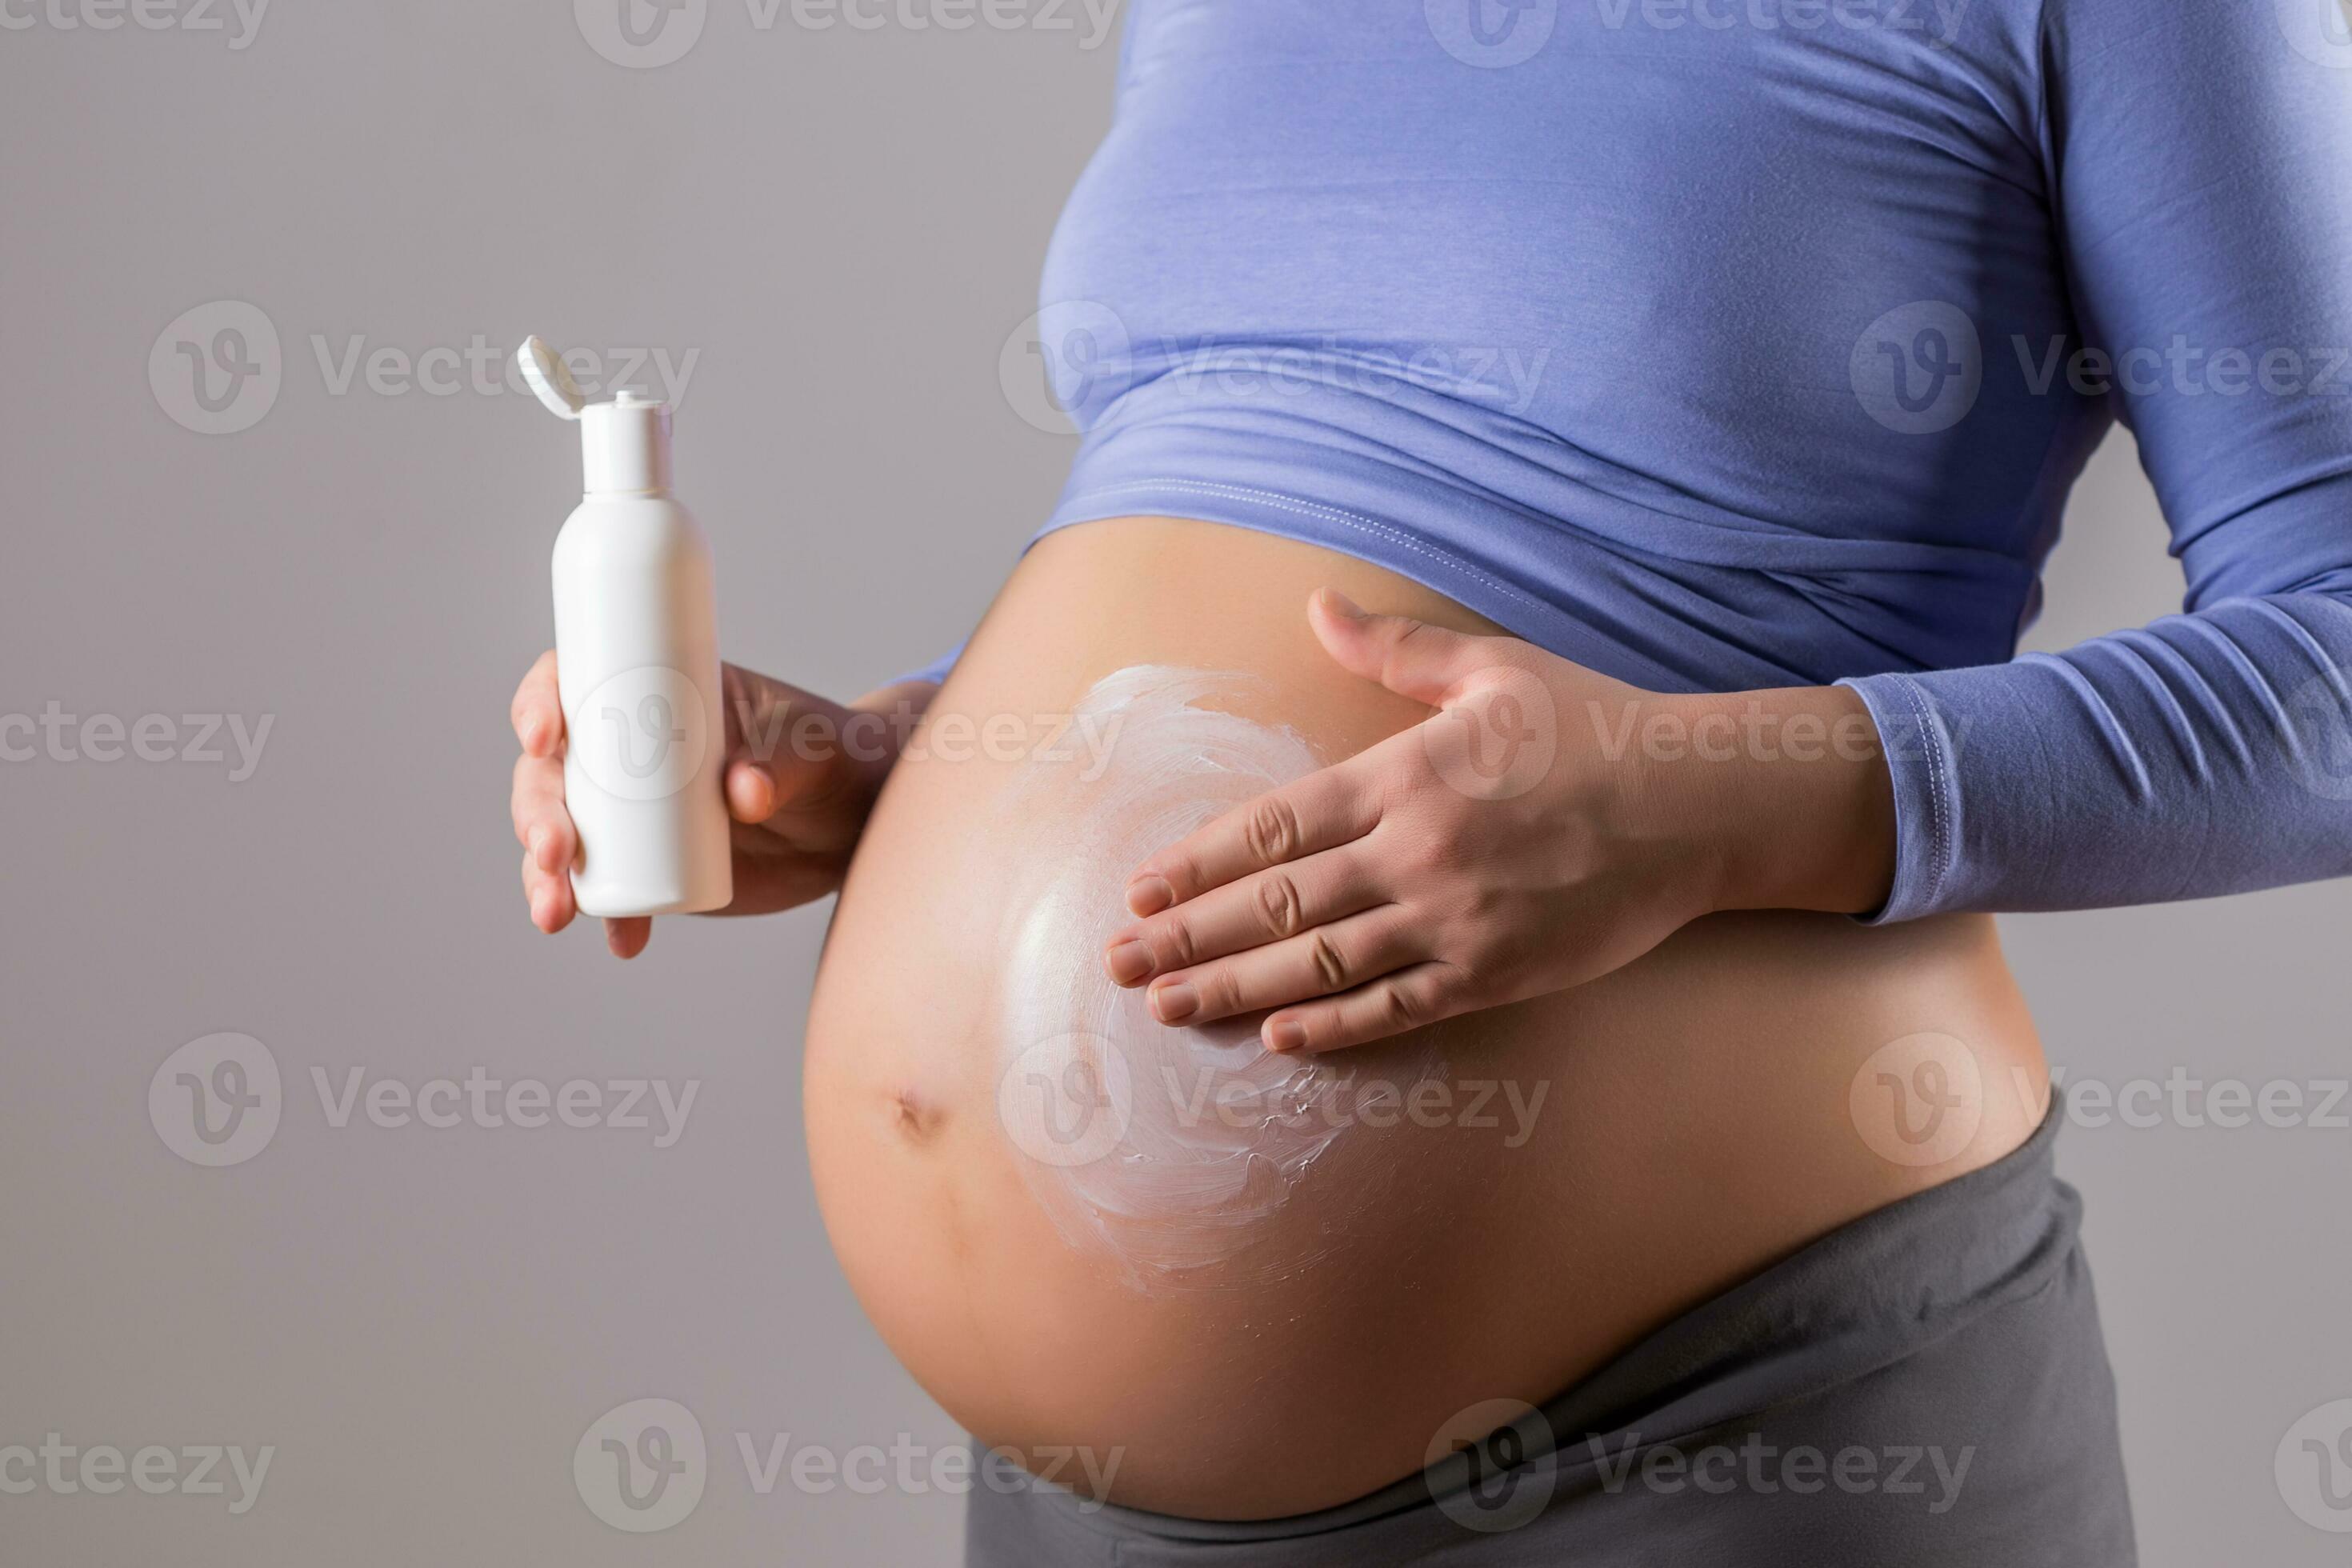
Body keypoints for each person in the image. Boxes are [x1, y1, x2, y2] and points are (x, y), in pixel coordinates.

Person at [509, 2, 2352, 1560]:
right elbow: (1288, 484)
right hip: (1087, 1504)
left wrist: (1700, 798)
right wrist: (910, 759)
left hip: (1722, 1432)